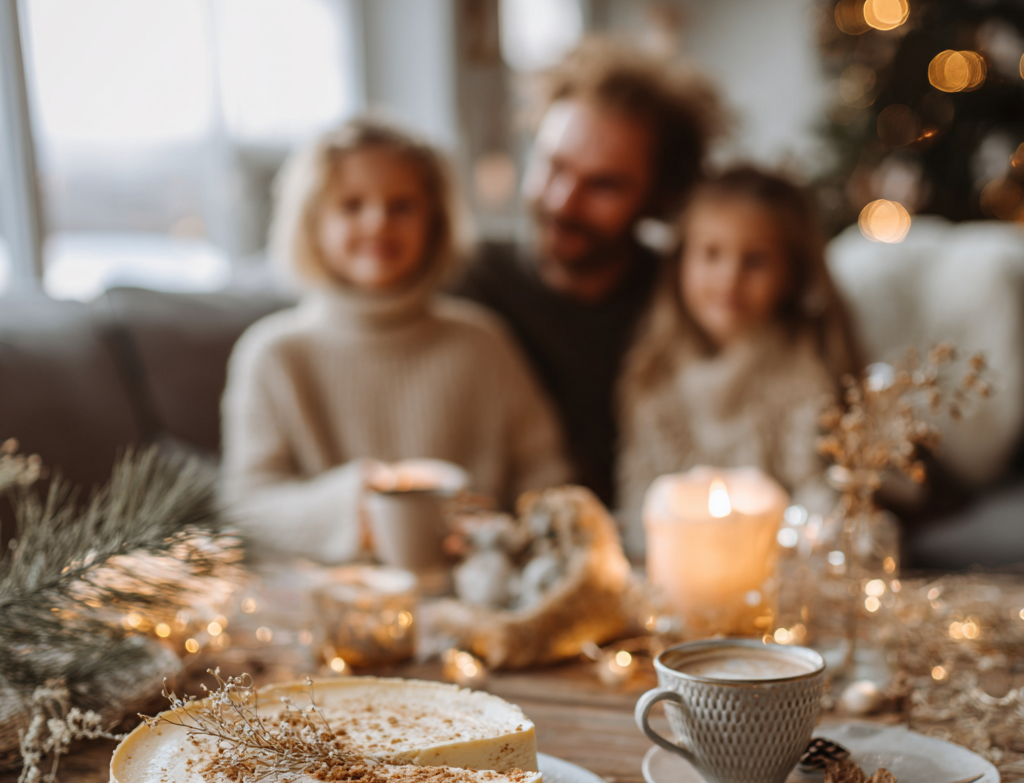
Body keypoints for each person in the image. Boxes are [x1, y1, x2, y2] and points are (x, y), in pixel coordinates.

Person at [220, 119, 570, 563]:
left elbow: (547, 479)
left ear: (435, 222)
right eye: (351, 205)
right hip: (328, 594)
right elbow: (247, 508)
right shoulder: (272, 355)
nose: (378, 221)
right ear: (311, 223)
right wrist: (355, 504)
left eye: (402, 206)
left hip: (473, 586)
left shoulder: (484, 343)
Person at [455, 39, 722, 507]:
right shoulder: (463, 281)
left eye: (603, 185)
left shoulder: (689, 300)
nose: (563, 202)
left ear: (662, 196)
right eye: (553, 165)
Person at [616, 166, 861, 554]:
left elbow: (821, 499)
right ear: (680, 261)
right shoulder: (651, 376)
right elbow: (638, 501)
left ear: (791, 273)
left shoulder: (804, 374)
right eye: (711, 254)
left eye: (755, 260)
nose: (729, 277)